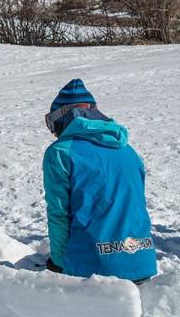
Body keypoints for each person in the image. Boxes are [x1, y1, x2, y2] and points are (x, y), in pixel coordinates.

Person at [43, 78, 157, 282]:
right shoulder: (128, 150)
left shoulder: (60, 152)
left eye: (52, 123)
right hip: (143, 262)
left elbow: (59, 213)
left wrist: (59, 263)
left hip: (93, 270)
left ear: (62, 117)